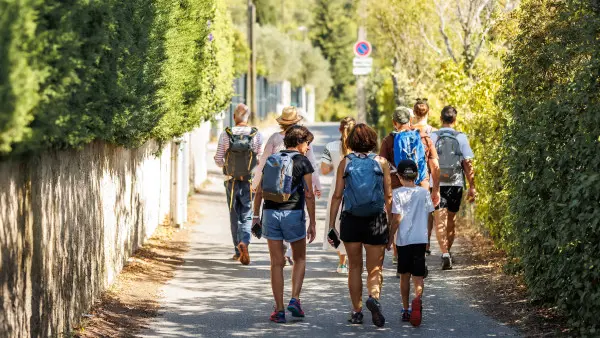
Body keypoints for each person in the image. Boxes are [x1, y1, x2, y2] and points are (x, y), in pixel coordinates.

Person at [328, 124, 392, 327]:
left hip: (351, 219)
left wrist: (332, 224)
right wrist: (391, 224)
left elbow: (338, 195)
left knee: (354, 267)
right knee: (375, 268)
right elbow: (388, 196)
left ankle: (356, 311)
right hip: (375, 220)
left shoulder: (345, 162)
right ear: (372, 141)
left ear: (351, 142)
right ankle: (373, 298)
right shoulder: (381, 162)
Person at [252, 125, 317, 324]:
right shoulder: (302, 161)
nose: (307, 148)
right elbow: (309, 195)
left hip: (270, 214)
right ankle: (295, 299)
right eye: (307, 144)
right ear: (299, 143)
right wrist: (313, 223)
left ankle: (279, 310)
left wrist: (256, 216)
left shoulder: (272, 159)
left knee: (276, 263)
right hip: (293, 214)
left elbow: (260, 191)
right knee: (299, 259)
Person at [252, 106, 322, 265]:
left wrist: (255, 184)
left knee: (278, 215)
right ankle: (290, 249)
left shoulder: (275, 138)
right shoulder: (302, 139)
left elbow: (264, 162)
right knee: (294, 214)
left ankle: (283, 247)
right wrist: (316, 185)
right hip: (297, 184)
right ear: (297, 121)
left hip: (275, 187)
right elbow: (311, 163)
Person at [379, 107, 440, 268]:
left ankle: (399, 253)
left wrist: (383, 188)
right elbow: (434, 165)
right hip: (421, 181)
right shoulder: (424, 137)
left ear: (394, 123)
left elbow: (381, 165)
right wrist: (436, 189)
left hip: (397, 183)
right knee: (425, 213)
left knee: (397, 215)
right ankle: (423, 248)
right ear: (410, 121)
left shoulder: (388, 140)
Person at [214, 103, 263, 265]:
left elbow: (218, 159)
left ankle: (237, 250)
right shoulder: (255, 134)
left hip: (231, 181)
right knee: (247, 214)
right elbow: (260, 159)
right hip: (249, 181)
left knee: (234, 215)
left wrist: (227, 167)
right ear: (248, 118)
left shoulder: (226, 134)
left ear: (234, 117)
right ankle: (245, 242)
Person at [389, 160, 435, 327]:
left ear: (400, 177)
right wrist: (428, 237)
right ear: (416, 176)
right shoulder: (424, 193)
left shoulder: (397, 193)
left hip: (404, 241)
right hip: (420, 239)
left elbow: (397, 218)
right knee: (418, 275)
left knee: (404, 276)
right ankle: (418, 299)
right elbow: (431, 216)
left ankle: (406, 309)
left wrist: (389, 239)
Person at [430, 106, 476, 270]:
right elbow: (467, 163)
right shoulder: (461, 137)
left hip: (436, 184)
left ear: (440, 119)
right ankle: (448, 251)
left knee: (439, 221)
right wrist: (472, 186)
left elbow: (427, 161)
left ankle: (445, 254)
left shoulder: (432, 136)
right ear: (455, 120)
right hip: (455, 184)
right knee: (451, 221)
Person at [320, 117, 356, 274]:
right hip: (356, 187)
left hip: (337, 188)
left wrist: (336, 163)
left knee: (337, 222)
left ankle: (342, 262)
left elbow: (324, 170)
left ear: (339, 129)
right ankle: (353, 259)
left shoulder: (331, 147)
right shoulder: (359, 147)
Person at [411, 98, 438, 255]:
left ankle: (411, 240)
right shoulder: (433, 133)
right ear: (429, 112)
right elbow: (435, 159)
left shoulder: (408, 131)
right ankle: (426, 243)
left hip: (409, 177)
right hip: (428, 176)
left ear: (414, 113)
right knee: (428, 211)